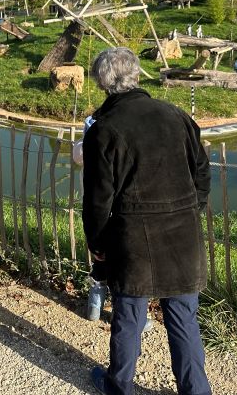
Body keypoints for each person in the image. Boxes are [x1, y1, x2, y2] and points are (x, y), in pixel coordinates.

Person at [82, 47, 212, 395]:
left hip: (132, 240)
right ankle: (196, 391)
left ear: (102, 83)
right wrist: (190, 208)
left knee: (129, 317)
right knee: (184, 319)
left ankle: (119, 386)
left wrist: (97, 244)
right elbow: (202, 170)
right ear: (137, 75)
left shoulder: (103, 129)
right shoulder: (176, 114)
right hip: (182, 236)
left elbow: (98, 199)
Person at [73, 115, 153, 333]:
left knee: (100, 253)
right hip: (123, 207)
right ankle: (126, 313)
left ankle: (94, 306)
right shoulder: (130, 126)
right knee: (123, 260)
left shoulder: (91, 127)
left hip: (96, 204)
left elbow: (78, 156)